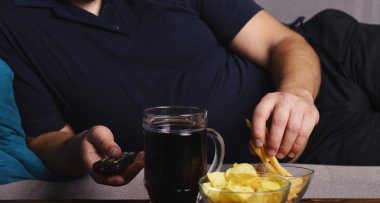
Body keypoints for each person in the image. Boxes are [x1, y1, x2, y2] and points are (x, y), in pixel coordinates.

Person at [0, 0, 378, 186]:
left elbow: (282, 40)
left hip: (330, 58)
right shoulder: (12, 21)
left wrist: (297, 96)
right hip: (286, 146)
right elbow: (47, 137)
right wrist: (79, 147)